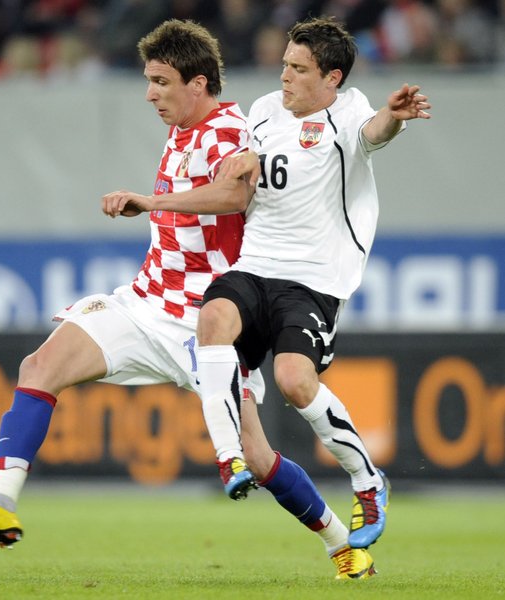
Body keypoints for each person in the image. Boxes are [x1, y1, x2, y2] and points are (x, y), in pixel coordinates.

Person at [0, 18, 377, 579]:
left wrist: (150, 202)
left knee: (257, 458)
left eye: (160, 82)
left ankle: (342, 543)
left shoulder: (232, 131)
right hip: (146, 303)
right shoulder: (184, 127)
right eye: (149, 81)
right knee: (40, 366)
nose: (150, 94)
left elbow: (233, 194)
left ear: (197, 84)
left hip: (210, 319)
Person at [103, 16, 432, 551]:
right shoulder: (261, 113)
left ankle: (367, 478)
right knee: (212, 317)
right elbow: (240, 179)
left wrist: (392, 118)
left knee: (295, 382)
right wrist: (235, 165)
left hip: (312, 281)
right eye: (284, 64)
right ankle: (228, 456)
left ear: (332, 78)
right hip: (255, 265)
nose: (285, 77)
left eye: (299, 69)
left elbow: (374, 133)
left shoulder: (349, 113)